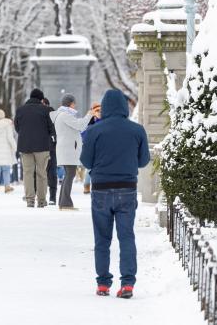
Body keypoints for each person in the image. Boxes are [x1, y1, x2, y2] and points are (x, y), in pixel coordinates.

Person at [80, 89, 150, 299]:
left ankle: (103, 283)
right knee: (126, 236)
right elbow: (143, 160)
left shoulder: (95, 131)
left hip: (101, 189)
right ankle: (127, 283)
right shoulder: (137, 130)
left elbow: (86, 161)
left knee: (102, 239)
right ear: (124, 107)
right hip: (127, 188)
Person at [14, 88, 56, 208]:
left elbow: (17, 127)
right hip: (42, 146)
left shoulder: (20, 110)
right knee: (42, 174)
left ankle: (30, 200)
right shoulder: (46, 110)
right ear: (41, 99)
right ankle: (42, 200)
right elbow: (51, 128)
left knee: (27, 173)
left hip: (25, 146)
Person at [50, 93, 91, 210]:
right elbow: (80, 125)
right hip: (68, 149)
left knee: (69, 174)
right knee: (70, 175)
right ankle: (65, 203)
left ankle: (63, 202)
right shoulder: (64, 115)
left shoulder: (62, 115)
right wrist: (89, 115)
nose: (75, 105)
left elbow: (79, 126)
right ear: (70, 103)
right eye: (74, 103)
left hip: (67, 149)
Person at [41, 97, 59, 205]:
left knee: (51, 173)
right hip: (41, 147)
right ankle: (41, 195)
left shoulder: (53, 115)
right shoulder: (37, 116)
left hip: (51, 148)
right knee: (40, 173)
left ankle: (52, 197)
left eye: (43, 104)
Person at [84, 102, 102, 194]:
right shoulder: (89, 121)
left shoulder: (104, 121)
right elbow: (83, 133)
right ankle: (86, 185)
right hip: (91, 148)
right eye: (97, 111)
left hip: (101, 148)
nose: (99, 112)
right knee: (89, 168)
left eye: (100, 111)